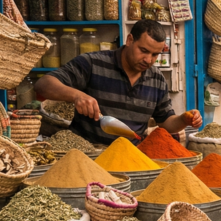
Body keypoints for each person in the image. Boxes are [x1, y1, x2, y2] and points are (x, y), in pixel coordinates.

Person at [34, 20, 202, 144]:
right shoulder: (93, 63)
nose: (148, 59)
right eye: (143, 51)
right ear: (129, 40)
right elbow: (44, 84)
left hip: (130, 159)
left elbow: (165, 122)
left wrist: (183, 120)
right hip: (87, 157)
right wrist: (77, 96)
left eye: (155, 55)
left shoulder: (157, 79)